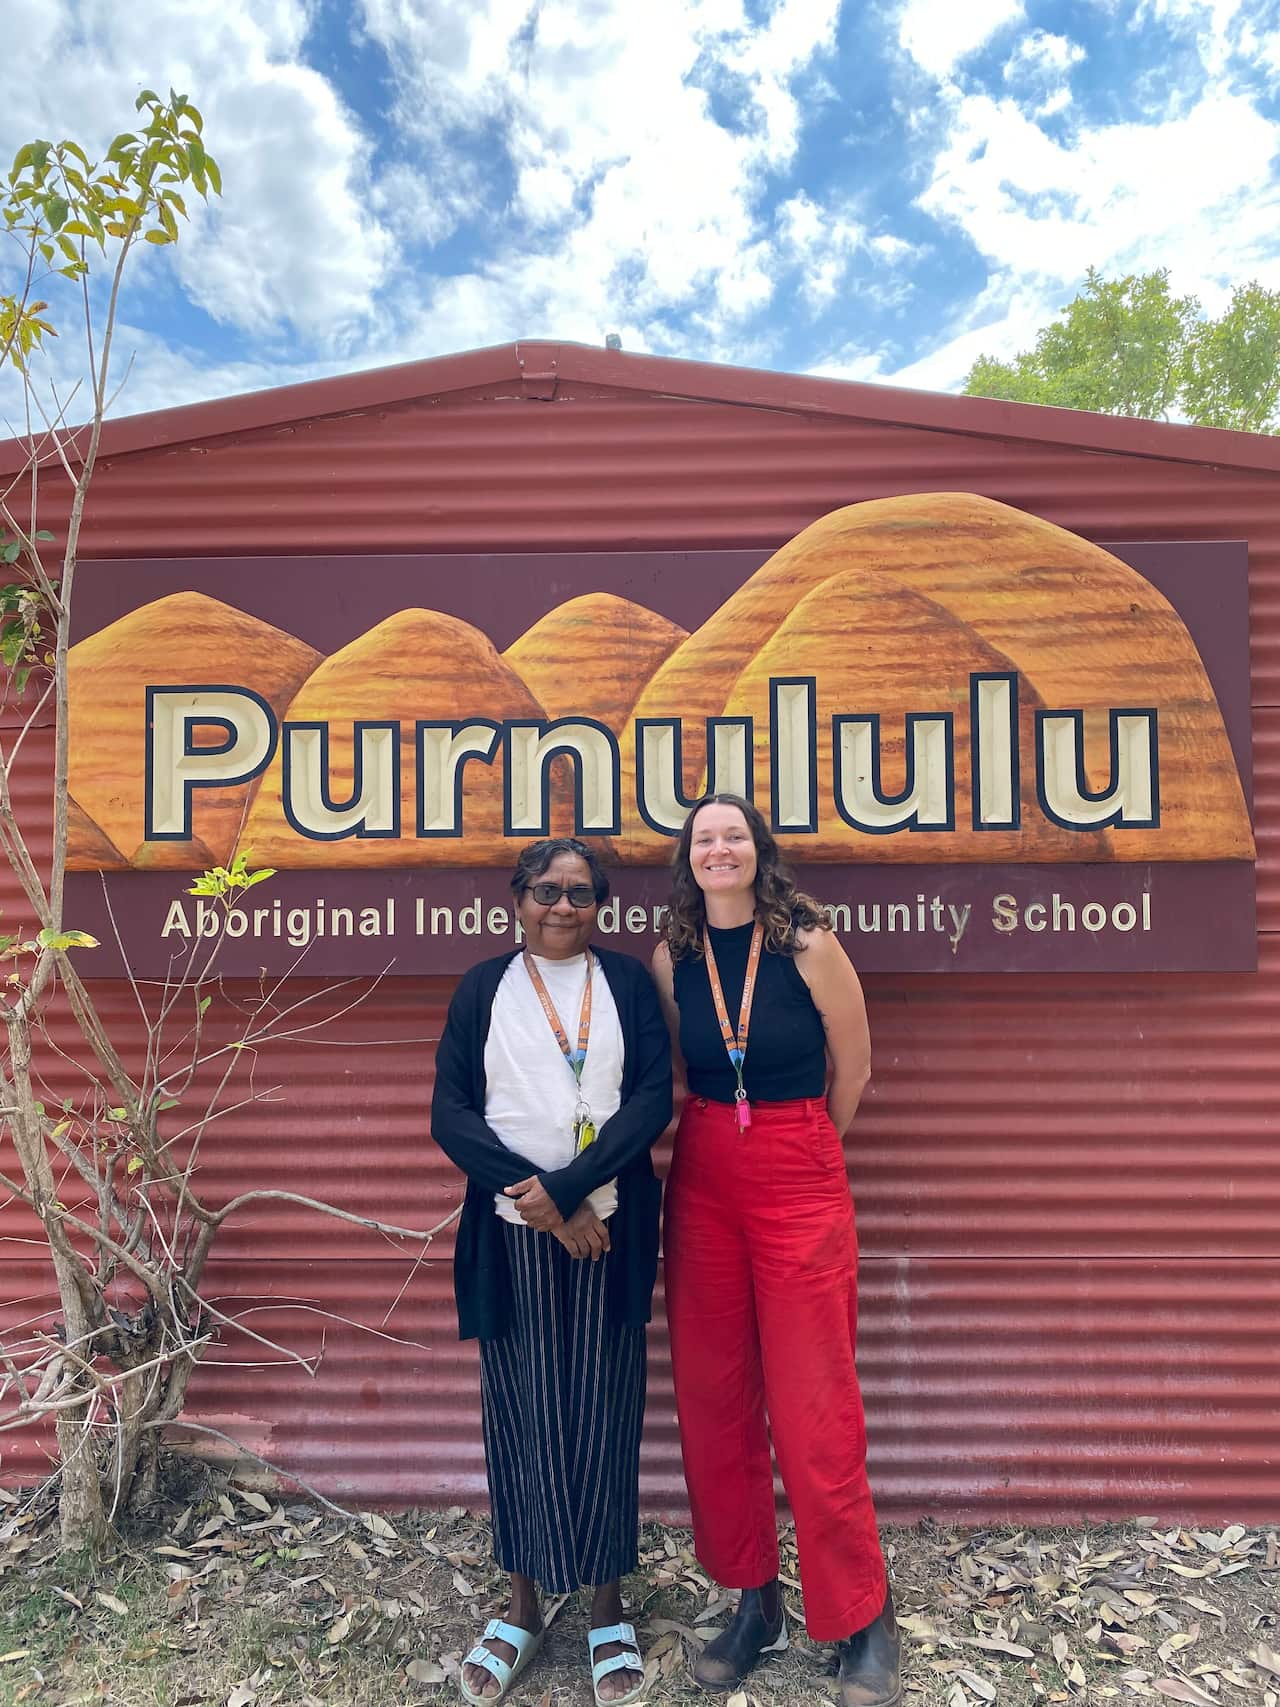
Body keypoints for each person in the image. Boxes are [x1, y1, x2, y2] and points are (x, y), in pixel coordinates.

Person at [651, 794, 899, 1707]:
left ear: (758, 850)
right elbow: (678, 1069)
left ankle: (862, 1615)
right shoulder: (673, 957)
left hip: (797, 1162)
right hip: (705, 1170)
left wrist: (807, 1148)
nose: (719, 848)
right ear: (689, 858)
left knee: (813, 1403)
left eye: (734, 835)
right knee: (713, 1397)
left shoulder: (809, 944)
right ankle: (755, 1601)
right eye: (704, 838)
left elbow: (855, 1066)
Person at [431, 837, 672, 1707]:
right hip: (509, 1235)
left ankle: (607, 1609)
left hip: (609, 1225)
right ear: (518, 899)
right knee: (520, 1411)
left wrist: (570, 1192)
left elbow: (652, 1098)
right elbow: (451, 1112)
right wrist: (536, 1198)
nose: (561, 906)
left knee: (605, 1409)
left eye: (578, 891)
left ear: (600, 903)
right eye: (546, 890)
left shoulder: (628, 984)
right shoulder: (482, 988)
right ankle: (522, 1606)